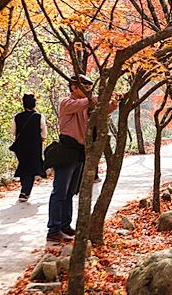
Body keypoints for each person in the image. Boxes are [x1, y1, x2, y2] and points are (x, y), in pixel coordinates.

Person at [47, 75, 119, 243]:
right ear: (73, 87)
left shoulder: (86, 105)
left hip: (79, 152)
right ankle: (54, 229)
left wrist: (114, 102)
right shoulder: (67, 103)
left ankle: (64, 225)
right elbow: (84, 103)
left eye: (89, 85)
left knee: (71, 192)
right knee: (60, 191)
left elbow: (103, 109)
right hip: (66, 152)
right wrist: (99, 97)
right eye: (84, 85)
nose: (88, 87)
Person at [11, 94, 47, 202]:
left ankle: (24, 190)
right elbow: (44, 132)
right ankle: (25, 192)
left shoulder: (17, 117)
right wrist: (41, 138)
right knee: (31, 168)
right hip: (35, 146)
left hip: (21, 146)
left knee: (24, 166)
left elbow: (13, 131)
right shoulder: (39, 116)